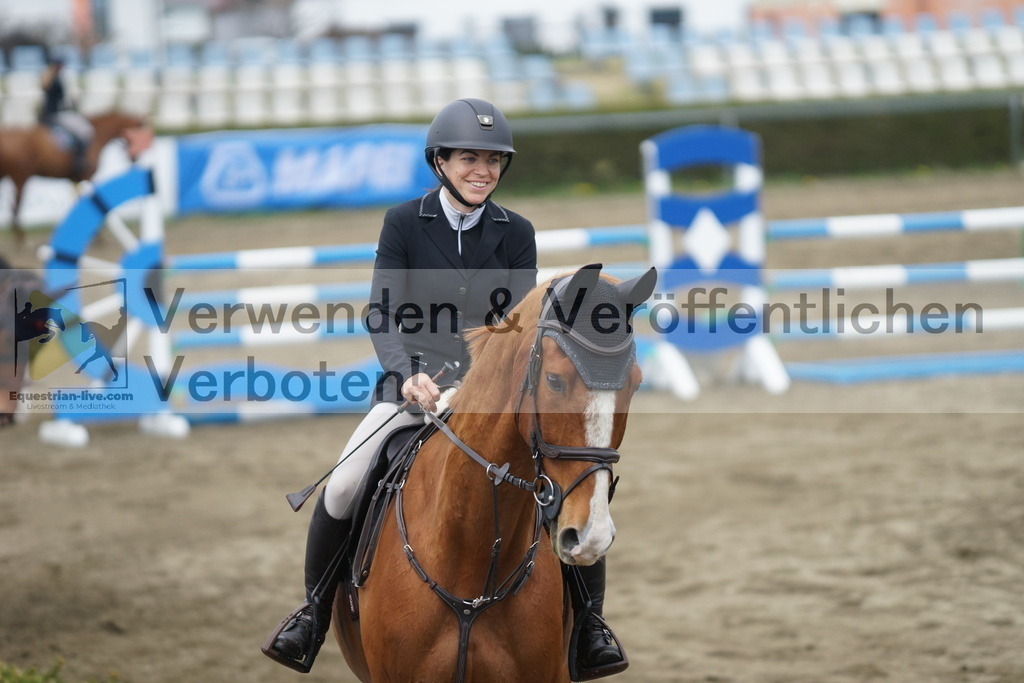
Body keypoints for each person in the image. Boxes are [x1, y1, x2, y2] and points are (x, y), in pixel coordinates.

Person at [262, 98, 627, 677]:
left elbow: (513, 327)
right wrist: (408, 376)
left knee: (568, 488)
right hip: (412, 392)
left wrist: (480, 384)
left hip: (488, 399)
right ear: (440, 162)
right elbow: (382, 312)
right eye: (468, 158)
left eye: (492, 160)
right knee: (344, 484)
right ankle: (309, 615)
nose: (481, 170)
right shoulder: (404, 223)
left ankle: (590, 626)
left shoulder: (517, 233)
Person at [39, 56, 93, 180]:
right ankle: (79, 160)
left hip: (54, 112)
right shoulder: (53, 78)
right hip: (55, 114)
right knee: (84, 130)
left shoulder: (54, 78)